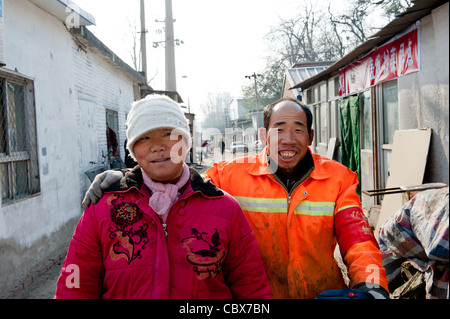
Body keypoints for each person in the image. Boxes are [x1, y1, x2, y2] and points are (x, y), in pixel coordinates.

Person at [83, 97, 389, 299]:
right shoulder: (231, 175)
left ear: (310, 136)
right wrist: (127, 178)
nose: (288, 138)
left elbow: (360, 241)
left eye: (298, 130)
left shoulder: (337, 178)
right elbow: (175, 182)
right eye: (278, 129)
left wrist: (371, 285)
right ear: (263, 134)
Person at [56, 94, 270, 299]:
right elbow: (75, 287)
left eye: (169, 134)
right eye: (144, 137)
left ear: (185, 142)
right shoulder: (103, 208)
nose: (157, 146)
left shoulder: (224, 208)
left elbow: (252, 288)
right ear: (132, 149)